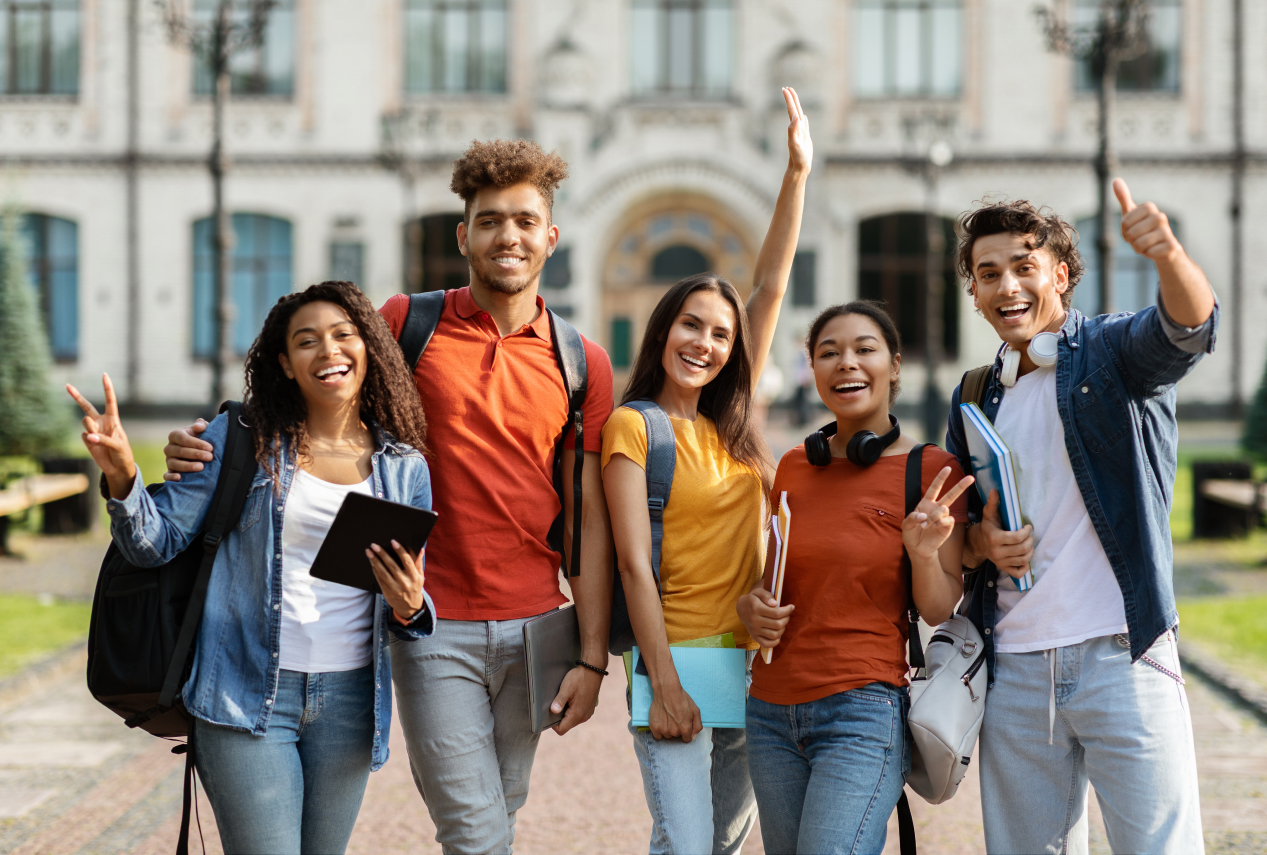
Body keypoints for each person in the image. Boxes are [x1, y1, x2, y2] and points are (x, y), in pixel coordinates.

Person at [164, 141, 615, 853]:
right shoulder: (410, 322)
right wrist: (219, 439)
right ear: (463, 235)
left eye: (526, 221)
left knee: (502, 806)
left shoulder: (581, 359)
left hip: (536, 624)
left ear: (550, 238)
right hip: (430, 619)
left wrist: (592, 656)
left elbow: (586, 519)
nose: (509, 236)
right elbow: (321, 378)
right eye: (491, 220)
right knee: (473, 826)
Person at [69, 281, 436, 854]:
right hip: (245, 696)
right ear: (286, 365)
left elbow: (407, 606)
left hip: (350, 704)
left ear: (369, 348)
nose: (329, 351)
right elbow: (154, 543)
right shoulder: (246, 440)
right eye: (307, 341)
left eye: (344, 335)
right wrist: (122, 474)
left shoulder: (404, 467)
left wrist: (412, 604)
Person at [948, 181, 1216, 855]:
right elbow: (959, 532)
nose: (1006, 285)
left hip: (1121, 652)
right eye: (988, 274)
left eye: (1023, 266)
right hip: (1014, 670)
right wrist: (982, 540)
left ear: (1061, 274)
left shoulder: (1112, 352)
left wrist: (1170, 257)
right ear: (974, 293)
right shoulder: (975, 392)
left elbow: (1186, 331)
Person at [601, 87, 810, 855]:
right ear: (663, 331)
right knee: (686, 844)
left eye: (721, 333)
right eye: (691, 324)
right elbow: (630, 562)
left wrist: (796, 173)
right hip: (677, 659)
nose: (706, 341)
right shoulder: (633, 427)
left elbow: (771, 286)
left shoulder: (735, 429)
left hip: (752, 669)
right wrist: (665, 682)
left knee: (718, 844)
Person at [737, 301, 973, 855]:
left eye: (864, 350)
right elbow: (774, 581)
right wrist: (751, 608)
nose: (846, 363)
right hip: (768, 709)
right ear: (812, 371)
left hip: (860, 711)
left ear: (893, 366)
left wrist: (921, 552)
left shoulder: (933, 471)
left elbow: (940, 610)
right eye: (828, 353)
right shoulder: (794, 465)